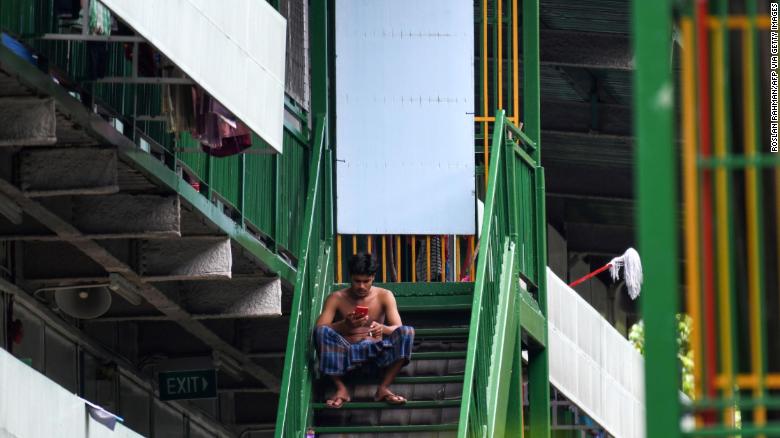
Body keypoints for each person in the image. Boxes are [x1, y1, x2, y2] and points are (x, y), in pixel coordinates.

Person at [314, 252, 415, 408]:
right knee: (321, 332)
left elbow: (398, 328)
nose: (361, 286)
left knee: (407, 331)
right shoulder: (336, 298)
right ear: (350, 277)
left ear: (373, 277)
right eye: (357, 281)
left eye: (366, 281)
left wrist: (383, 329)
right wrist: (344, 325)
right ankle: (341, 388)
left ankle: (383, 387)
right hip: (346, 356)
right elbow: (320, 328)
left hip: (376, 353)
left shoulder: (385, 296)